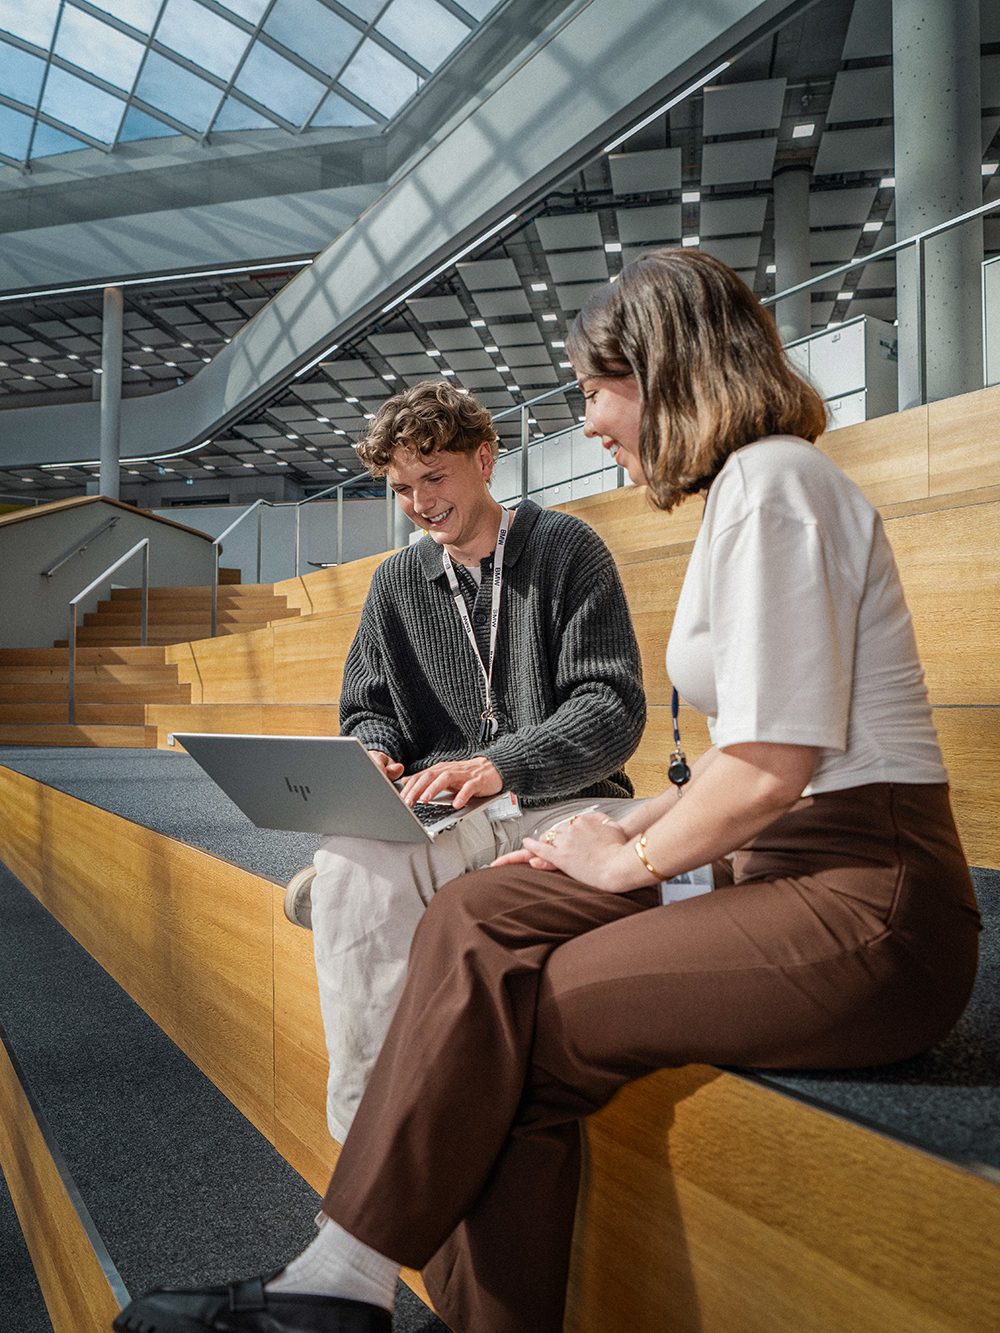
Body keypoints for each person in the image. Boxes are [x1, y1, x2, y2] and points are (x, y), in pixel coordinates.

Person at [115, 249, 980, 1333]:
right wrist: (628, 825)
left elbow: (771, 766)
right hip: (781, 859)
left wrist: (626, 850)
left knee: (509, 1015)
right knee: (478, 914)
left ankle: (343, 1287)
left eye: (594, 393)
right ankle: (346, 1280)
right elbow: (740, 762)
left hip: (867, 904)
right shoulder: (743, 493)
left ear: (663, 373)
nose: (590, 425)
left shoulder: (774, 485)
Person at [286, 379, 650, 1142]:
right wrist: (376, 750)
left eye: (434, 475)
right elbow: (369, 707)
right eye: (402, 488)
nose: (420, 502)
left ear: (484, 458)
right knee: (352, 851)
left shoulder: (567, 549)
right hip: (448, 811)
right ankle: (370, 1142)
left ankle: (335, 897)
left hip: (563, 800)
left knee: (354, 878)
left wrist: (503, 764)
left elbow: (611, 711)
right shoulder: (394, 582)